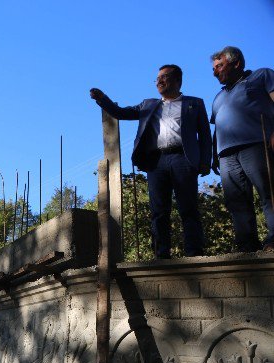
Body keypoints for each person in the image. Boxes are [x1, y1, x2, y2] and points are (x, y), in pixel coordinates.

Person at [90, 64, 212, 259]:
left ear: (178, 80)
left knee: (188, 207)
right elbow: (121, 113)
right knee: (159, 210)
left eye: (164, 77)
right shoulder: (149, 104)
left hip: (183, 159)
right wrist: (102, 99)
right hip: (157, 162)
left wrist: (205, 161)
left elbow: (205, 135)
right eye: (157, 79)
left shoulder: (194, 103)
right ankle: (161, 254)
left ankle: (194, 252)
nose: (159, 81)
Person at [210, 46, 274, 252]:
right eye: (214, 68)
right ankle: (246, 245)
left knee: (268, 192)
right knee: (236, 201)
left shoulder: (260, 76)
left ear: (236, 63)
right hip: (226, 154)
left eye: (220, 66)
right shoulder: (218, 97)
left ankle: (273, 239)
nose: (215, 71)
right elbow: (218, 126)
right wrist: (214, 154)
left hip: (257, 143)